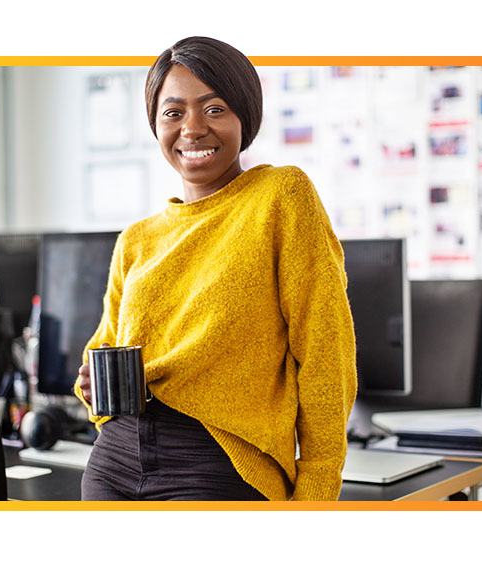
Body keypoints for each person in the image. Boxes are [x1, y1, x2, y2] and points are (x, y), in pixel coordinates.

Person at [74, 36, 357, 501]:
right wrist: (90, 384)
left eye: (215, 108)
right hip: (115, 459)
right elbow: (102, 350)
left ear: (245, 117)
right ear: (156, 125)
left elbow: (328, 352)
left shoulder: (281, 196)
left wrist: (317, 490)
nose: (193, 128)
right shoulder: (137, 240)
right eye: (173, 112)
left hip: (216, 462)